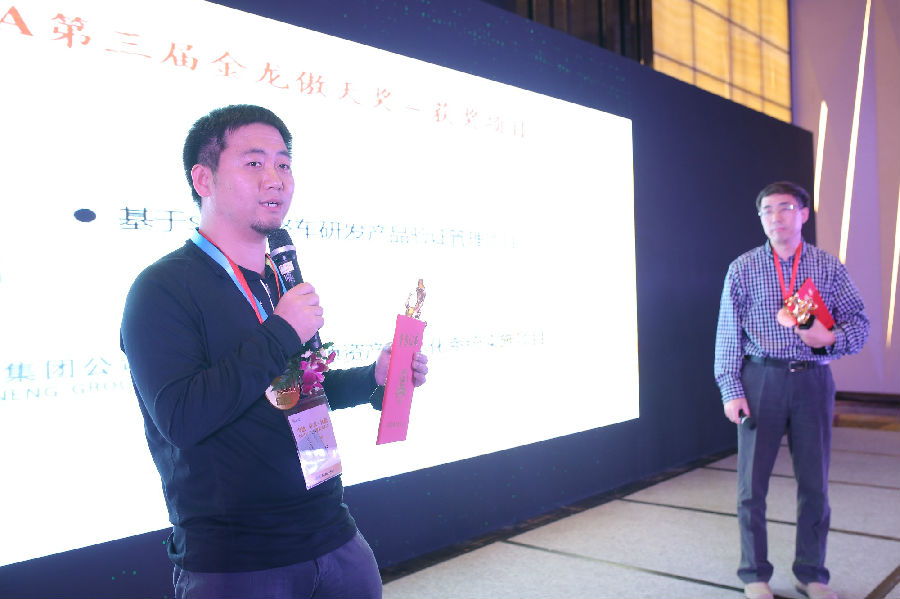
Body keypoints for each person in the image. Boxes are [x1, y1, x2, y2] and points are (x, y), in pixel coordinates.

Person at [120, 104, 429, 599]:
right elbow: (181, 417)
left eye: (284, 164)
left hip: (333, 531)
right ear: (203, 179)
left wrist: (374, 376)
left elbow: (296, 389)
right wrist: (282, 330)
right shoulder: (162, 289)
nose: (276, 179)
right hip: (239, 560)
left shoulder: (280, 278)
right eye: (254, 163)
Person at [714, 182, 869, 599]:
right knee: (751, 485)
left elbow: (860, 323)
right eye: (767, 210)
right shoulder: (743, 268)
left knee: (815, 483)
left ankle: (811, 573)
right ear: (761, 219)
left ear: (803, 214)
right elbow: (728, 335)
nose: (776, 217)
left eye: (785, 208)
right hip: (760, 378)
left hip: (813, 380)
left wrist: (830, 338)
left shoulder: (827, 266)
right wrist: (731, 389)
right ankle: (754, 575)